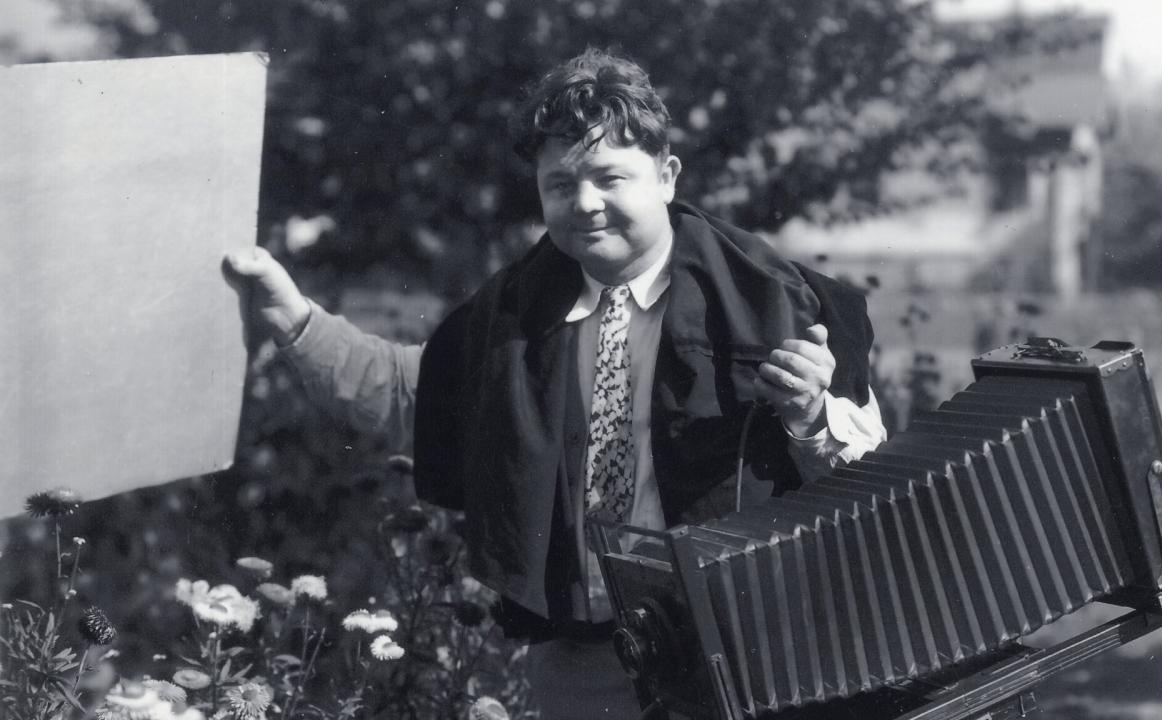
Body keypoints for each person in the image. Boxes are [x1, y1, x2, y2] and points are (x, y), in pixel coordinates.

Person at [225, 48, 887, 719]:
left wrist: (808, 413)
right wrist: (294, 319)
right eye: (561, 185)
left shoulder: (777, 300)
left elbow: (871, 472)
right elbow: (404, 396)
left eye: (609, 177)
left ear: (666, 175)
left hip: (745, 649)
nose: (586, 204)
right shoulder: (513, 312)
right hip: (583, 653)